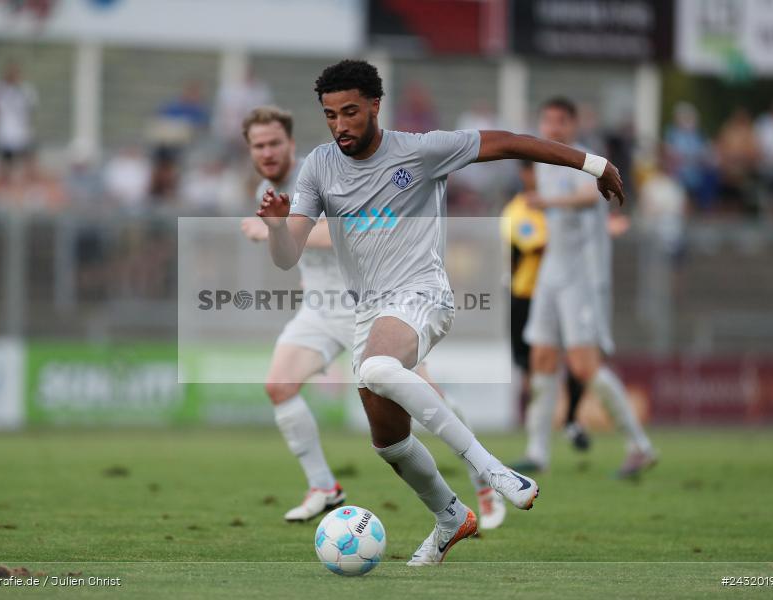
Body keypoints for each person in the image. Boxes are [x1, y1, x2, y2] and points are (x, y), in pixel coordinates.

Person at [256, 60, 626, 565]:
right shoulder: (319, 165)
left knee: (376, 368)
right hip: (369, 310)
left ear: (374, 107)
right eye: (329, 115)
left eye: (350, 112)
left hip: (422, 294)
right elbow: (287, 256)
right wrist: (279, 227)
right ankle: (451, 517)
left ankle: (491, 468)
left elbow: (510, 141)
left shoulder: (421, 150)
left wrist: (593, 164)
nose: (340, 125)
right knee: (389, 443)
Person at [239, 106, 500, 527]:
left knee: (428, 403)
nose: (267, 153)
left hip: (370, 305)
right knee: (278, 386)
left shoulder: (324, 171)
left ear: (291, 143)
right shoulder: (265, 193)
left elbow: (355, 229)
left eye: (274, 143)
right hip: (319, 310)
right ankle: (323, 486)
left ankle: (483, 481)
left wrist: (283, 228)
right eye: (258, 146)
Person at [520, 97, 655, 479]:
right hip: (552, 271)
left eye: (560, 122)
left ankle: (639, 446)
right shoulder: (544, 161)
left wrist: (546, 200)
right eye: (547, 121)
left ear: (573, 125)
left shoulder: (587, 160)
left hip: (583, 275)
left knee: (583, 365)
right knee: (542, 358)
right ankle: (537, 452)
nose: (553, 129)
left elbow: (587, 198)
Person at [502, 161, 589, 461]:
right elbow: (537, 245)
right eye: (533, 172)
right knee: (531, 367)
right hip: (526, 296)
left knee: (578, 360)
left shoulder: (557, 205)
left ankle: (571, 419)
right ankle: (537, 438)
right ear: (524, 175)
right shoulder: (517, 210)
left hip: (566, 292)